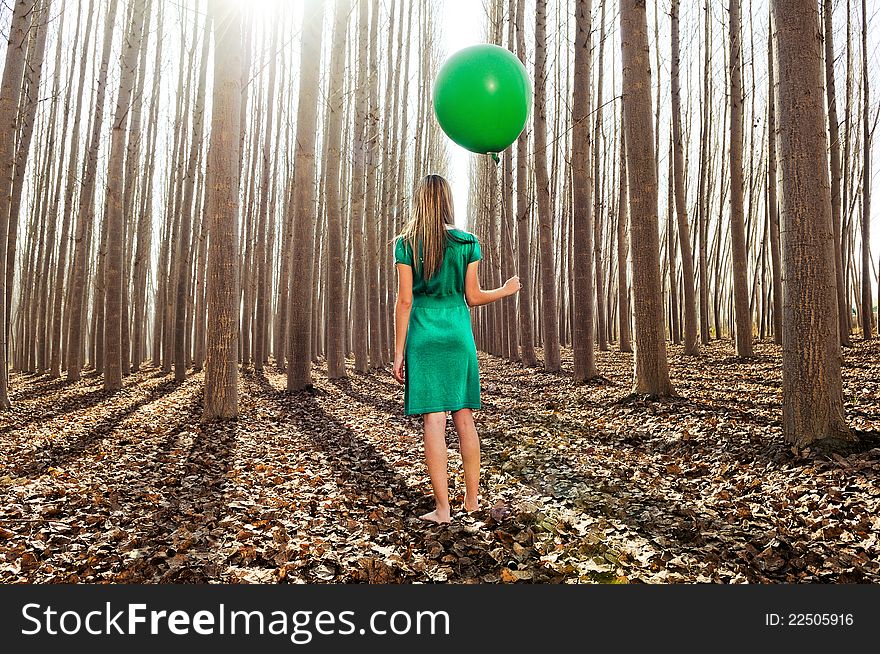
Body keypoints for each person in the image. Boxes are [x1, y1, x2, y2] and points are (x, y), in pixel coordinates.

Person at [392, 174, 521, 524]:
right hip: (458, 335)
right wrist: (506, 290)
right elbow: (474, 297)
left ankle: (442, 509)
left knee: (434, 418)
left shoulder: (405, 244)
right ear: (448, 200)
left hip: (423, 336)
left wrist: (399, 351)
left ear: (419, 201)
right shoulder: (468, 242)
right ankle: (472, 501)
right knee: (464, 416)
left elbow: (405, 301)